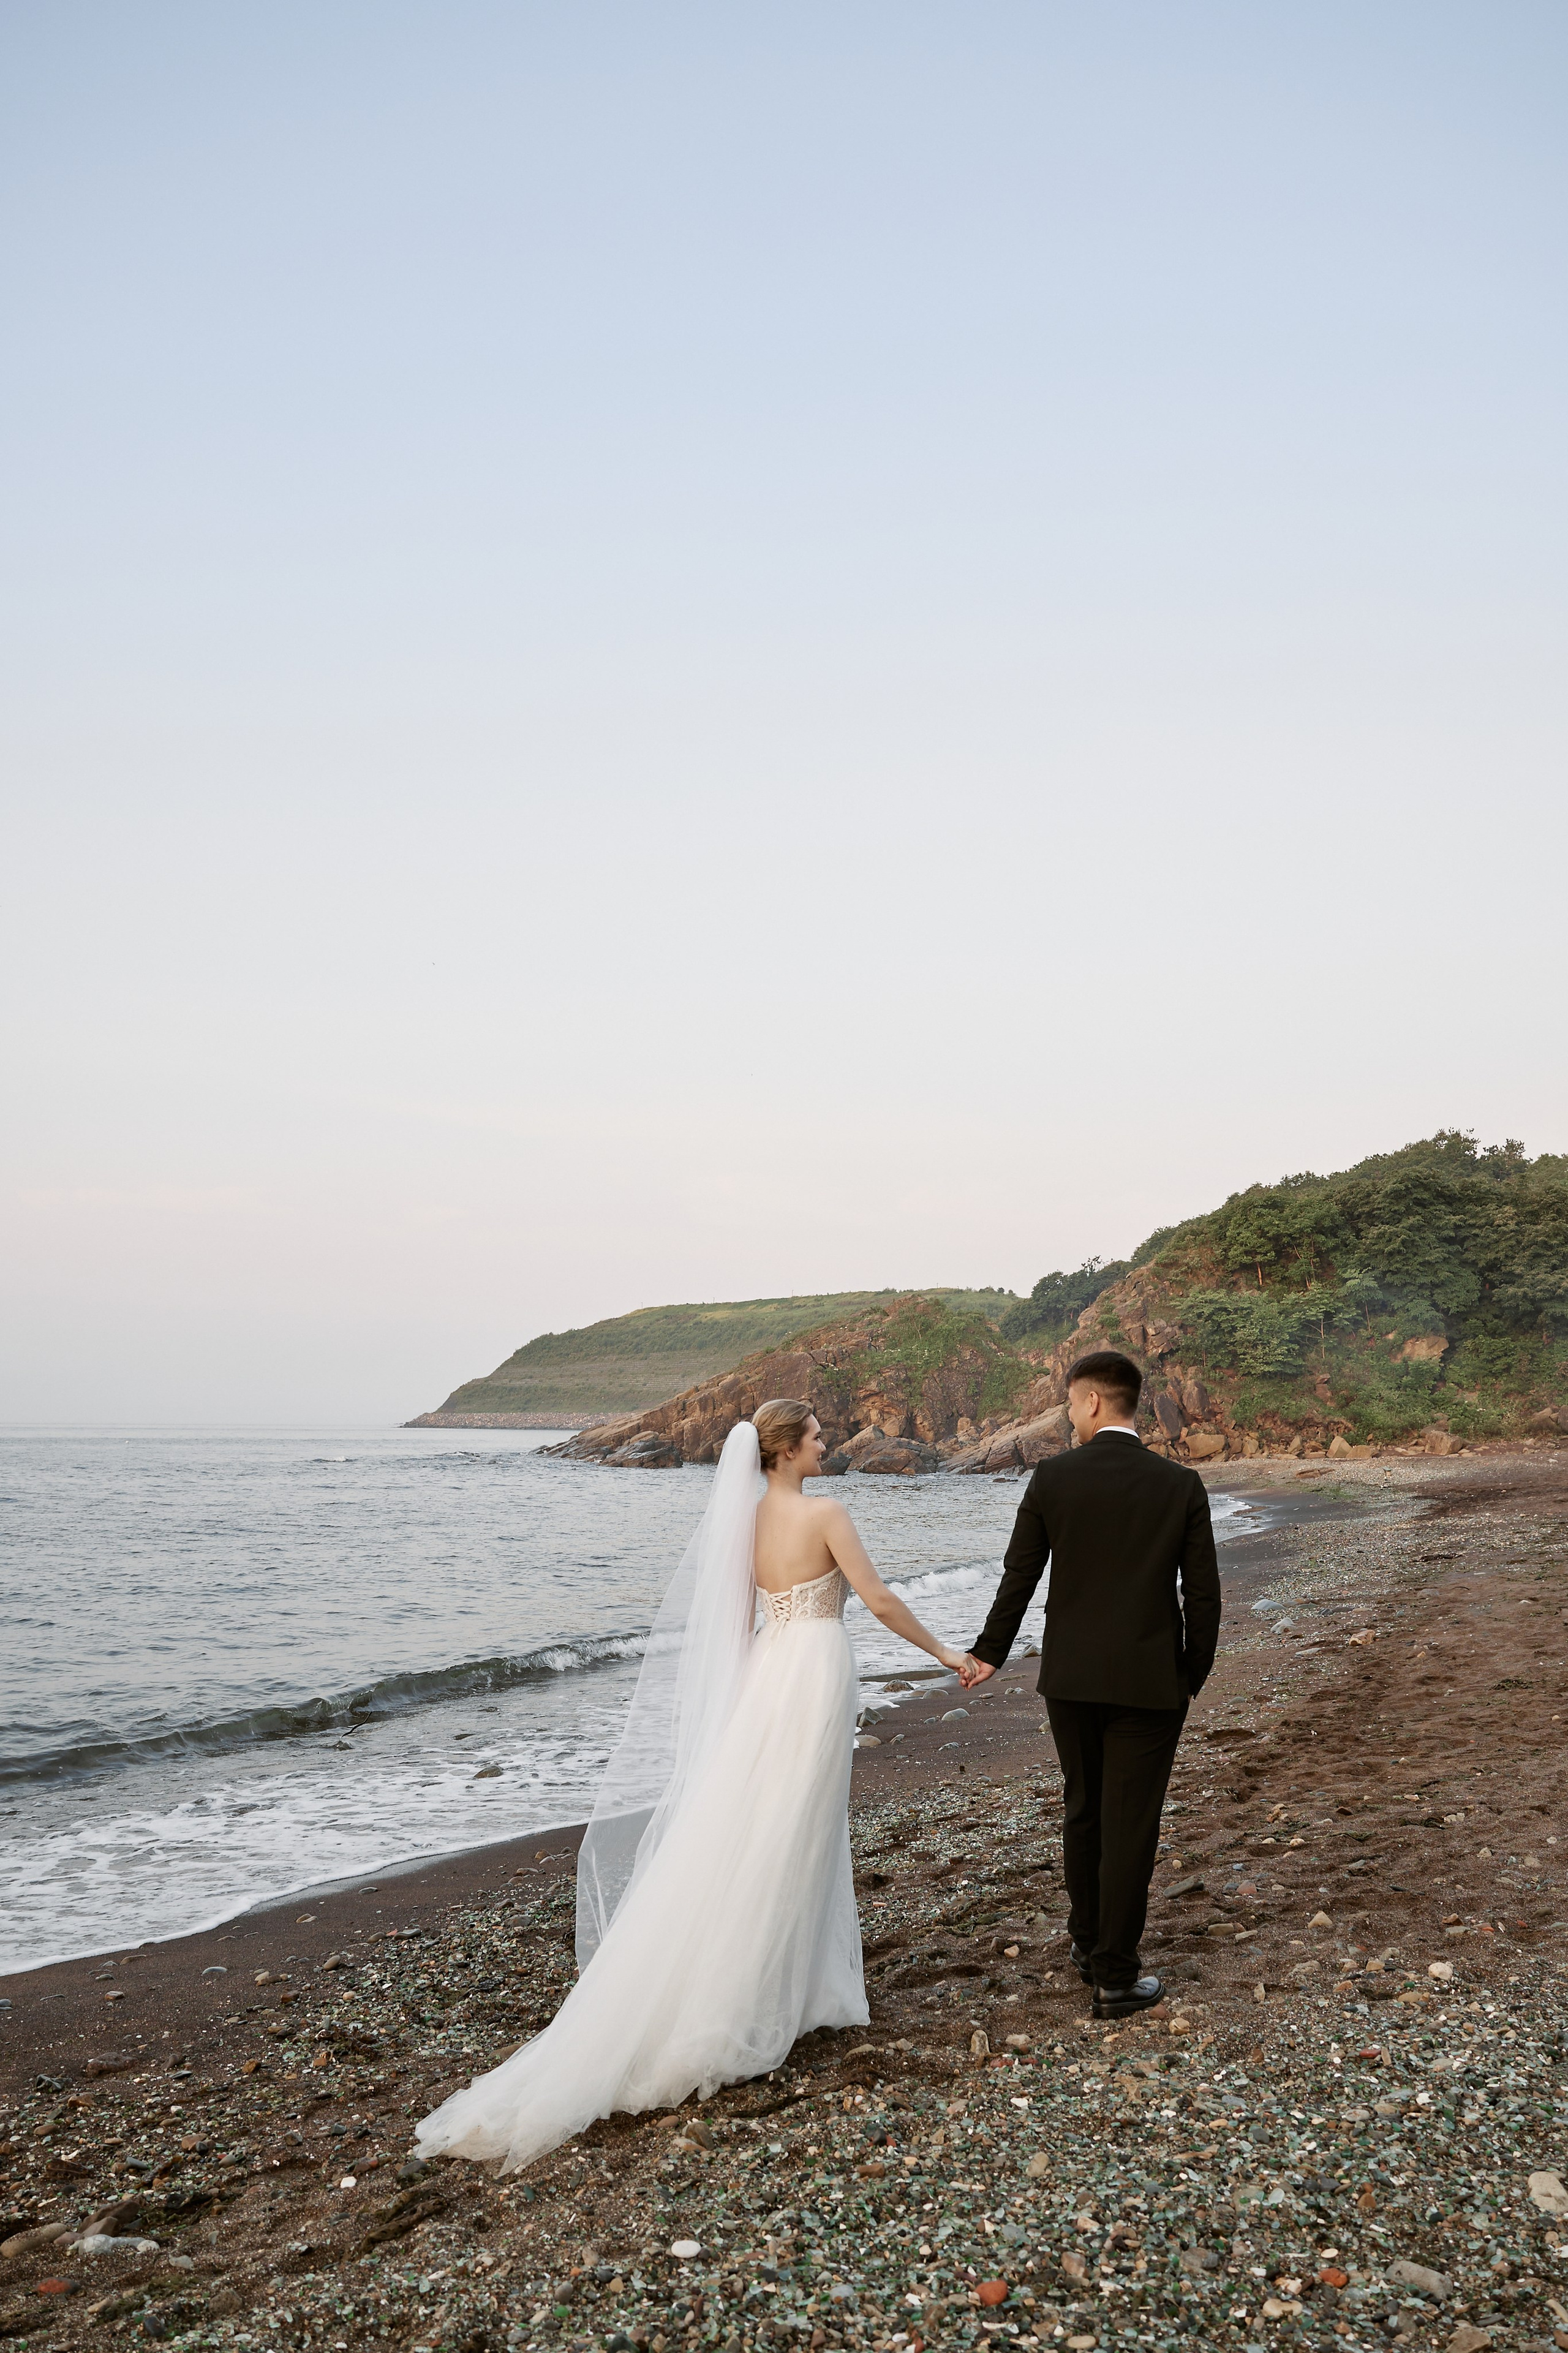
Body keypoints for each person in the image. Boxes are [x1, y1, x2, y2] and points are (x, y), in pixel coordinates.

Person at [415, 1398, 968, 2171]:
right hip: (811, 1674)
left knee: (765, 1831)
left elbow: (733, 1630)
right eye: (814, 1437)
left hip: (770, 1674)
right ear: (782, 1452)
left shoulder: (741, 1525)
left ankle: (792, 1993)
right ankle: (748, 2004)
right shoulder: (827, 1514)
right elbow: (875, 1600)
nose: (825, 1445)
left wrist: (733, 1713)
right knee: (795, 1836)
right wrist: (948, 1653)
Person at [963, 1350, 1220, 2020]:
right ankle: (1113, 1972)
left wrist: (988, 1652)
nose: (1069, 1415)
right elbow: (1203, 1595)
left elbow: (1018, 1577)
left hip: (1071, 1678)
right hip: (1150, 1680)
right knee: (1129, 1823)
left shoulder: (1053, 1478)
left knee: (1084, 1810)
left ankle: (1086, 1944)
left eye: (1071, 1403)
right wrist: (1191, 1671)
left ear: (1094, 1402)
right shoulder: (1179, 1484)